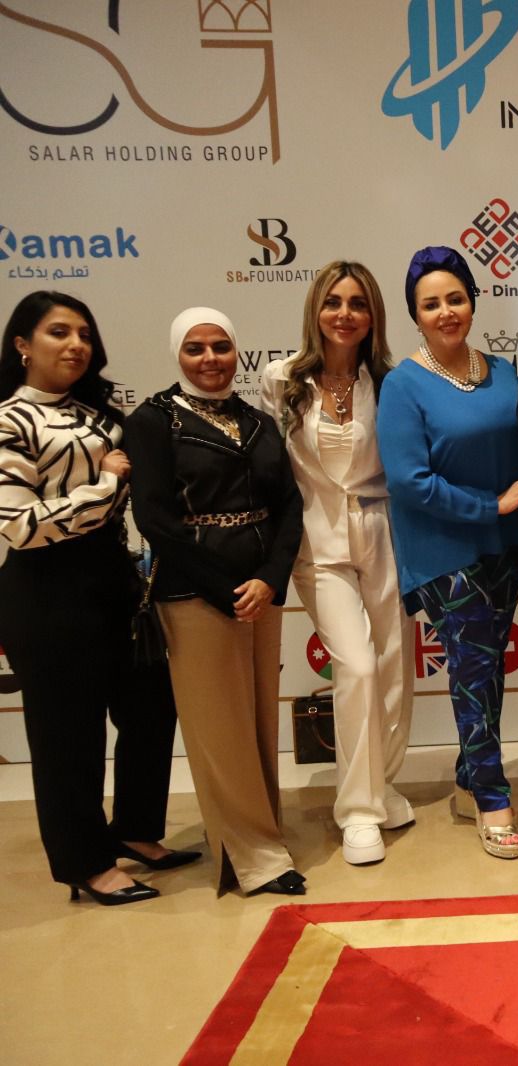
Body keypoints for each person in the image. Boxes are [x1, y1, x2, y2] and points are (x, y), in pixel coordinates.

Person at [0, 291, 195, 906]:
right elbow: (19, 526)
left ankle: (136, 831)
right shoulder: (9, 420)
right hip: (46, 590)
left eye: (84, 334)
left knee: (151, 708)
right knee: (68, 735)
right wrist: (107, 483)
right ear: (22, 344)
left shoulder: (103, 416)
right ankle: (86, 863)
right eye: (58, 332)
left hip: (116, 582)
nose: (76, 344)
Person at [124, 307, 306, 896]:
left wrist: (270, 579)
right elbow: (154, 519)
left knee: (257, 721)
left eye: (221, 347)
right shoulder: (153, 421)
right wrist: (226, 591)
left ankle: (264, 835)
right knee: (220, 729)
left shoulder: (257, 421)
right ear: (178, 354)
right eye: (195, 348)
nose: (210, 359)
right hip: (195, 595)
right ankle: (254, 860)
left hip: (261, 591)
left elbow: (290, 506)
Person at [377, 246, 518, 860]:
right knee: (472, 674)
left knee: (488, 669)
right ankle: (493, 799)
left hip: (504, 544)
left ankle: (468, 783)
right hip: (443, 549)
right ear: (415, 315)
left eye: (455, 298)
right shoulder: (403, 385)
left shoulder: (502, 370)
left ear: (472, 301)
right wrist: (490, 506)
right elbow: (408, 482)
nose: (446, 311)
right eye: (431, 304)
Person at [262, 261, 415, 866]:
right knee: (356, 666)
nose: (344, 314)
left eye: (357, 303)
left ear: (373, 315)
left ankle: (381, 783)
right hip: (317, 543)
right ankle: (357, 811)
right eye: (333, 302)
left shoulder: (392, 381)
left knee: (394, 668)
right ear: (315, 311)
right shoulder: (282, 379)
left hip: (384, 535)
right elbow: (271, 468)